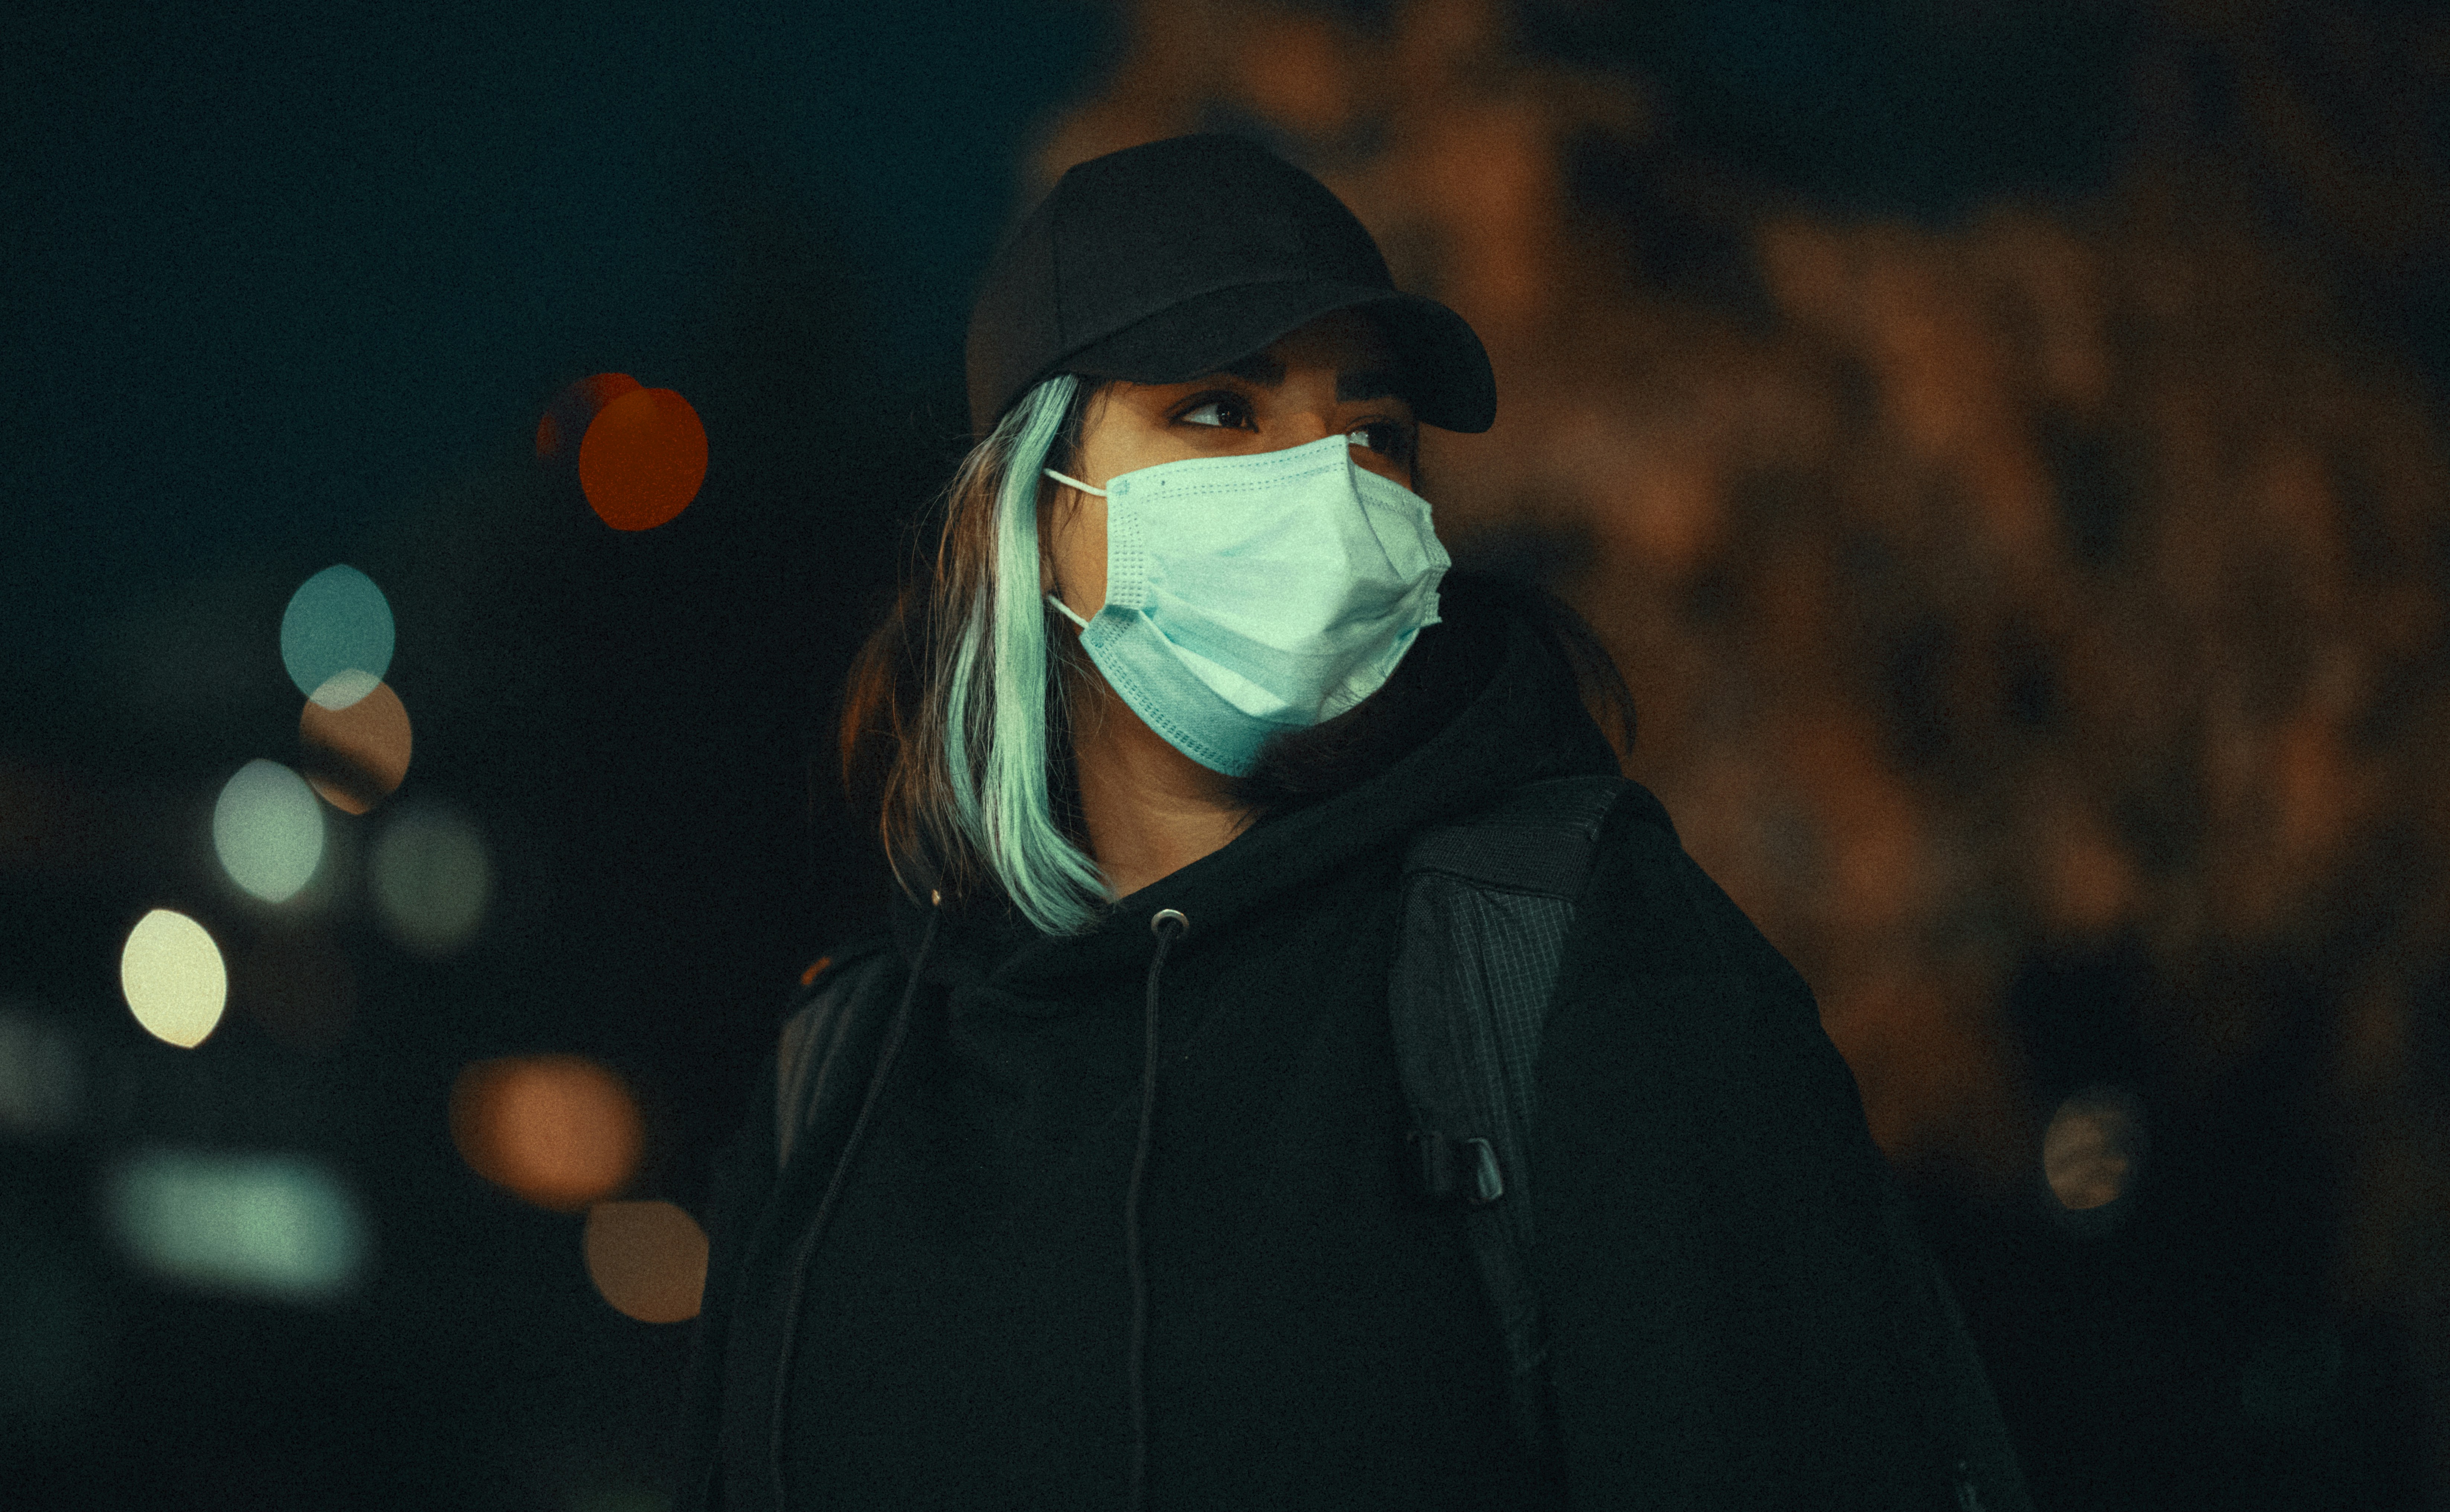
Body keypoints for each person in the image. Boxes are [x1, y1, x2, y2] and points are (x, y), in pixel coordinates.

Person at [674, 133, 2025, 1512]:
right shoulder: (843, 1072)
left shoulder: (1571, 965)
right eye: (1217, 411)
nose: (1326, 488)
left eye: (1372, 430)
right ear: (1027, 520)